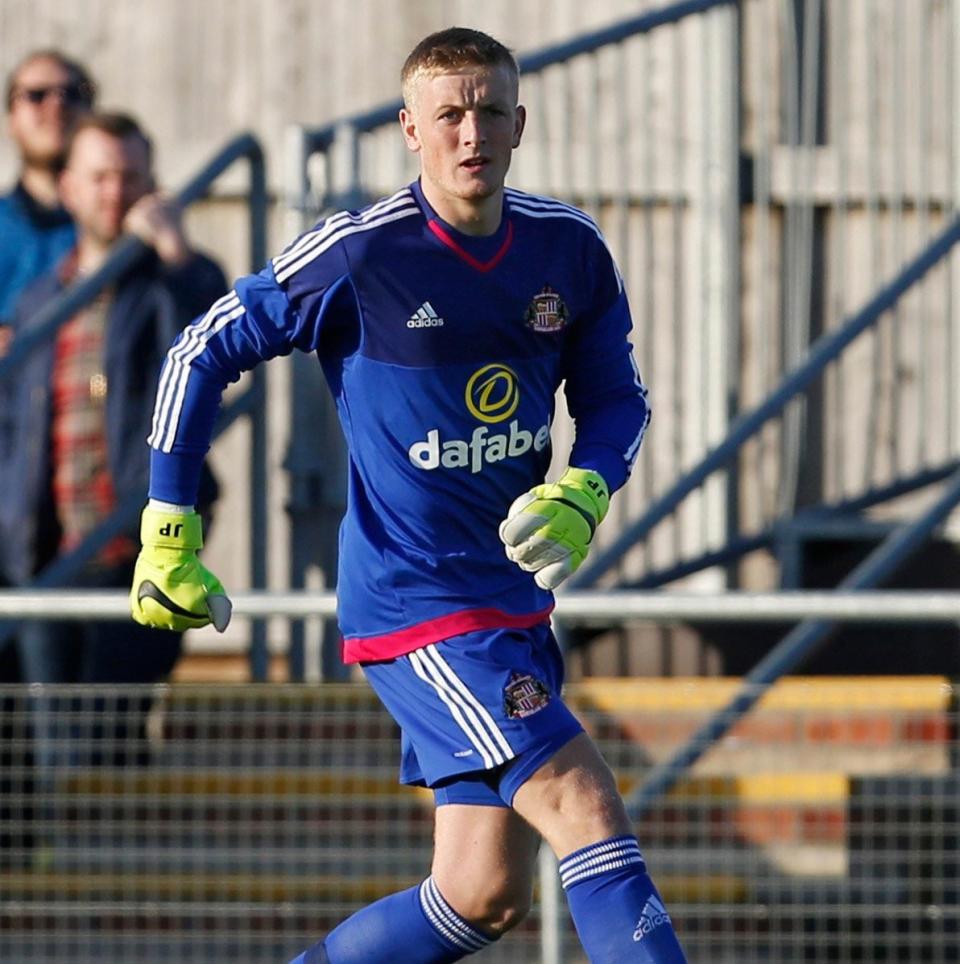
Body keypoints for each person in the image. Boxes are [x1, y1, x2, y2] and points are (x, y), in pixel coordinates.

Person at [130, 27, 686, 963]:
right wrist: (169, 525)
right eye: (449, 114)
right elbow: (199, 351)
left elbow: (614, 397)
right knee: (580, 799)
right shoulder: (361, 255)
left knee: (480, 895)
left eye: (490, 111)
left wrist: (588, 487)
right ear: (410, 129)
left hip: (509, 606)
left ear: (520, 123)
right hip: (418, 605)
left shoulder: (567, 248)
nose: (472, 132)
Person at [0, 111, 225, 769]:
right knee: (50, 738)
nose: (115, 193)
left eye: (131, 177)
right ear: (68, 187)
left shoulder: (171, 281)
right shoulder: (42, 297)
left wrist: (176, 254)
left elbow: (218, 349)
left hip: (138, 542)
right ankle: (64, 865)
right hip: (46, 551)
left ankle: (116, 866)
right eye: (99, 177)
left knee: (114, 731)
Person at [0, 49, 96, 354]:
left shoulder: (124, 225)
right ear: (10, 120)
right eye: (36, 95)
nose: (56, 105)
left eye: (71, 93)